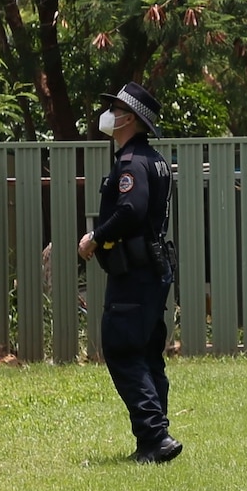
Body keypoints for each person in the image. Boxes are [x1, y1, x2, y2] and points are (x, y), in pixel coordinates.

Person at [77, 81, 181, 464]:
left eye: (115, 108)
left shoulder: (131, 164)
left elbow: (131, 211)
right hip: (152, 270)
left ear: (130, 119)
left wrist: (93, 238)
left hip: (135, 273)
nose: (108, 114)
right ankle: (158, 435)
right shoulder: (154, 161)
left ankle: (154, 438)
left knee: (122, 348)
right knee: (147, 352)